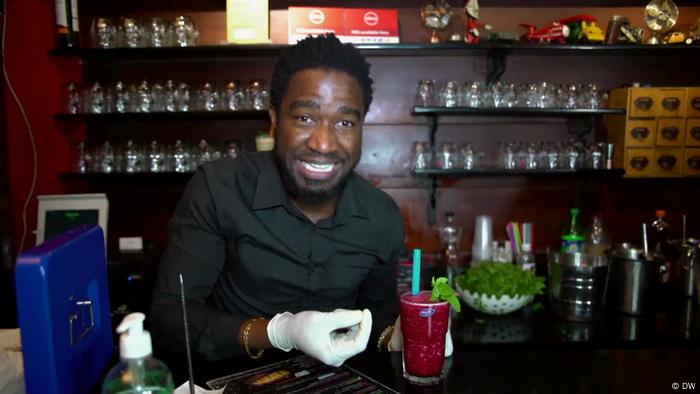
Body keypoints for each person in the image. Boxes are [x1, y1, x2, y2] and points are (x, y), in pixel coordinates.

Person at [150, 33, 405, 367]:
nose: (324, 144)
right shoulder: (219, 188)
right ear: (274, 119)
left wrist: (401, 335)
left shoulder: (382, 217)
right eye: (305, 118)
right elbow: (169, 319)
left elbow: (378, 320)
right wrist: (277, 332)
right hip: (232, 381)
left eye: (344, 122)